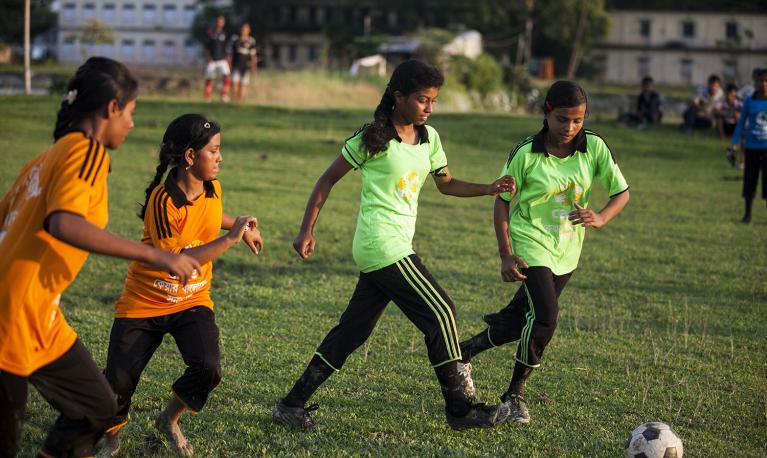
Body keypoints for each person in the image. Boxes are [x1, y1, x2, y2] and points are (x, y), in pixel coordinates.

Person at [272, 60, 516, 431]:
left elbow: (446, 183)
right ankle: (460, 410)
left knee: (352, 332)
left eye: (433, 101)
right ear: (398, 97)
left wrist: (488, 187)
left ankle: (291, 405)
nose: (429, 108)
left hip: (394, 245)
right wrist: (306, 229)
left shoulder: (430, 139)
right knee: (442, 312)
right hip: (379, 244)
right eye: (422, 100)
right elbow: (327, 180)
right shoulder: (372, 138)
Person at [0, 57, 200, 458]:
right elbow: (65, 224)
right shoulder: (87, 151)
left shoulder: (44, 158)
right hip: (12, 314)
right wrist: (156, 256)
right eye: (131, 113)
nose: (131, 123)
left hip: (39, 316)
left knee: (96, 406)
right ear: (111, 109)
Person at [458, 81, 630, 424]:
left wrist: (600, 217)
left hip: (567, 250)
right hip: (530, 243)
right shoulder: (526, 153)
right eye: (562, 119)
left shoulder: (594, 147)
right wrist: (506, 253)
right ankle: (514, 395)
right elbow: (502, 203)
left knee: (521, 322)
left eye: (578, 121)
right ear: (546, 113)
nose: (570, 128)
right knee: (547, 317)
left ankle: (464, 353)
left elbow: (621, 193)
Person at [96, 114, 263, 457]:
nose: (220, 157)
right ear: (190, 157)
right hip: (145, 302)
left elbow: (210, 214)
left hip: (192, 300)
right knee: (116, 388)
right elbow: (177, 264)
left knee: (208, 367)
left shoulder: (212, 188)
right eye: (213, 151)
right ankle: (111, 437)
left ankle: (169, 419)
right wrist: (230, 239)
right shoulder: (163, 201)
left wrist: (240, 226)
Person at [729, 68, 767, 223]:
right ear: (755, 83)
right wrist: (734, 143)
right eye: (760, 81)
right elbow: (740, 124)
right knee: (750, 181)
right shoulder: (749, 102)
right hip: (751, 147)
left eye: (766, 81)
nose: (763, 84)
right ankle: (747, 214)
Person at [203, 15, 231, 103]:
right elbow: (207, 47)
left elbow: (226, 47)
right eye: (218, 21)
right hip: (212, 59)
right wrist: (208, 58)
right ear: (216, 22)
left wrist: (228, 58)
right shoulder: (210, 33)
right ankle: (207, 97)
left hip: (222, 59)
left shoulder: (225, 33)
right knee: (209, 77)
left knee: (226, 75)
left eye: (221, 21)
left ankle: (224, 95)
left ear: (223, 23)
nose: (220, 23)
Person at [229, 23, 257, 103]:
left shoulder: (251, 41)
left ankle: (239, 102)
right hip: (235, 65)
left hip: (245, 67)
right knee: (235, 85)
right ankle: (234, 101)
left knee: (243, 85)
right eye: (242, 29)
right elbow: (229, 54)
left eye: (246, 29)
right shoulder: (235, 39)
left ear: (249, 30)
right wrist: (229, 64)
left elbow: (253, 56)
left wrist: (254, 66)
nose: (244, 31)